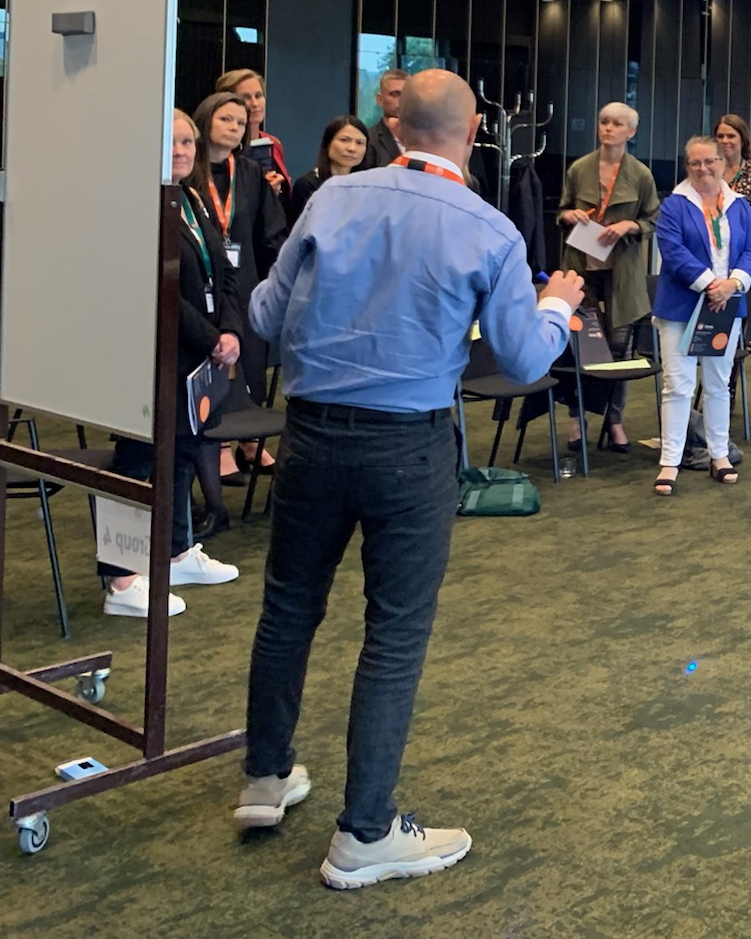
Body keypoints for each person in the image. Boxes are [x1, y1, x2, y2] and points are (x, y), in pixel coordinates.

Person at [239, 70, 584, 889]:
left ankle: (265, 776)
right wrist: (560, 303)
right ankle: (363, 832)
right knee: (392, 635)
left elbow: (261, 317)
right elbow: (526, 358)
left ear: (396, 130)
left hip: (311, 434)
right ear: (471, 137)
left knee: (288, 609)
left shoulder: (330, 201)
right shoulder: (490, 229)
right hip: (410, 446)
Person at [99, 110, 243, 618]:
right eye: (171, 142)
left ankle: (175, 552)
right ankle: (120, 581)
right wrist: (211, 338)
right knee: (139, 460)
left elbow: (223, 271)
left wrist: (229, 330)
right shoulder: (139, 203)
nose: (181, 150)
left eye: (188, 141)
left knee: (185, 451)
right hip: (153, 353)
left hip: (196, 354)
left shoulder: (190, 197)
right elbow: (155, 285)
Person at [192, 88, 288, 503]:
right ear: (205, 121)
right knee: (207, 368)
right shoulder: (185, 171)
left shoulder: (248, 173)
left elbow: (270, 234)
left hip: (243, 284)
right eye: (224, 119)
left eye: (239, 122)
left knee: (248, 364)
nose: (233, 127)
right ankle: (216, 447)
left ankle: (247, 440)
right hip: (200, 290)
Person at [652, 135, 751, 496]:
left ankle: (718, 455)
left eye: (710, 161)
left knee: (718, 383)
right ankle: (670, 460)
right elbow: (673, 251)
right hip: (681, 308)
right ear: (687, 167)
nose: (703, 168)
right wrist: (711, 284)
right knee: (678, 386)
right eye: (695, 163)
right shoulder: (673, 205)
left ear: (723, 163)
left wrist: (732, 285)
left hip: (725, 307)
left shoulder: (740, 205)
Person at [555, 103, 662, 452]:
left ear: (631, 132)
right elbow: (562, 210)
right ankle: (577, 420)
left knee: (620, 348)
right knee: (579, 346)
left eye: (617, 124)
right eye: (604, 122)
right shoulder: (579, 169)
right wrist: (570, 215)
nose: (608, 128)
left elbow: (652, 220)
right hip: (582, 269)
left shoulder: (641, 175)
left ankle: (615, 421)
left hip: (622, 273)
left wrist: (629, 225)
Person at [215, 67, 290, 208]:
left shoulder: (273, 143)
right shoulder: (221, 147)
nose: (255, 104)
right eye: (246, 97)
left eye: (258, 95)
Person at [290, 116, 373, 227]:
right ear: (328, 143)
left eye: (359, 143)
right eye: (344, 140)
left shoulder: (368, 188)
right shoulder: (307, 185)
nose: (352, 148)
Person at [715, 113, 751, 260]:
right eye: (720, 136)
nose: (725, 141)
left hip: (743, 254)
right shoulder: (707, 172)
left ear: (742, 140)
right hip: (710, 251)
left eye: (731, 136)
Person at [365, 68, 409, 165]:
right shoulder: (368, 140)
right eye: (395, 95)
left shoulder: (425, 139)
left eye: (407, 95)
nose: (402, 100)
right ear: (380, 99)